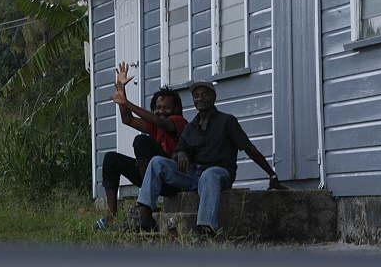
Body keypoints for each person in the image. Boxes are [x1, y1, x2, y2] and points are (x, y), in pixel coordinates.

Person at [132, 81, 286, 233]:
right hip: (194, 176)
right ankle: (145, 214)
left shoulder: (227, 121)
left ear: (213, 98)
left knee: (209, 174)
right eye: (196, 96)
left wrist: (271, 173)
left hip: (220, 173)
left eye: (204, 94)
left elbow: (249, 148)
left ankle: (206, 227)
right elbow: (177, 151)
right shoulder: (191, 126)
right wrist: (181, 153)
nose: (200, 98)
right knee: (157, 162)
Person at [95, 62, 188, 229]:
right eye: (158, 108)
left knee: (141, 141)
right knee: (111, 159)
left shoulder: (178, 122)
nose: (161, 111)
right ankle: (111, 218)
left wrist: (127, 103)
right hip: (151, 175)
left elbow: (160, 121)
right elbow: (127, 120)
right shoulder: (156, 127)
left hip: (172, 180)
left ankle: (147, 205)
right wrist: (121, 91)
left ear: (175, 109)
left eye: (166, 108)